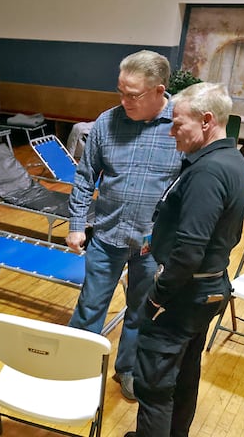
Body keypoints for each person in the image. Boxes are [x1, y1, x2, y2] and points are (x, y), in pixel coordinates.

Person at [125, 83, 244, 437]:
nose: (171, 131)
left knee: (153, 384)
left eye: (179, 124)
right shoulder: (233, 161)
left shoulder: (208, 172)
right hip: (209, 288)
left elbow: (189, 250)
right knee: (184, 375)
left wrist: (156, 295)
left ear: (207, 120)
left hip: (184, 293)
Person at [66, 50, 183, 400]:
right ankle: (73, 365)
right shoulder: (107, 121)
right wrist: (76, 224)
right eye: (120, 91)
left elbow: (191, 184)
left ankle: (128, 370)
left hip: (153, 243)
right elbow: (86, 177)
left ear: (159, 90)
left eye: (132, 95)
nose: (123, 100)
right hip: (107, 235)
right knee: (90, 305)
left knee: (141, 312)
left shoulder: (180, 124)